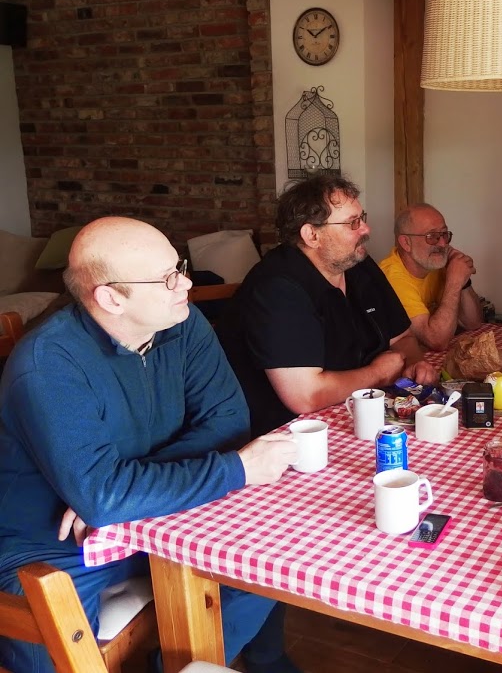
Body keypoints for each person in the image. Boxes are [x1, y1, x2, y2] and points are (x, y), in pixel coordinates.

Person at [0, 217, 301, 673]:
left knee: (269, 555)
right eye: (167, 278)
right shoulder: (48, 363)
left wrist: (123, 489)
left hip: (156, 516)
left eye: (178, 267)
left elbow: (228, 421)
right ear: (111, 298)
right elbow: (104, 496)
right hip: (50, 548)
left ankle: (179, 666)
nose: (186, 283)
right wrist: (234, 469)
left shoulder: (182, 322)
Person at [217, 175, 437, 438]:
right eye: (353, 223)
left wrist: (415, 363)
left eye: (362, 218)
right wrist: (377, 374)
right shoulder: (277, 288)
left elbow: (402, 337)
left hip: (353, 414)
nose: (365, 229)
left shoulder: (357, 264)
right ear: (312, 235)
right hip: (288, 435)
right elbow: (305, 396)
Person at [379, 204, 484, 350]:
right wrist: (454, 282)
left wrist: (464, 281)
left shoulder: (434, 262)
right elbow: (436, 340)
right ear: (406, 243)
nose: (443, 244)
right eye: (432, 236)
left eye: (444, 234)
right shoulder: (391, 277)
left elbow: (473, 323)